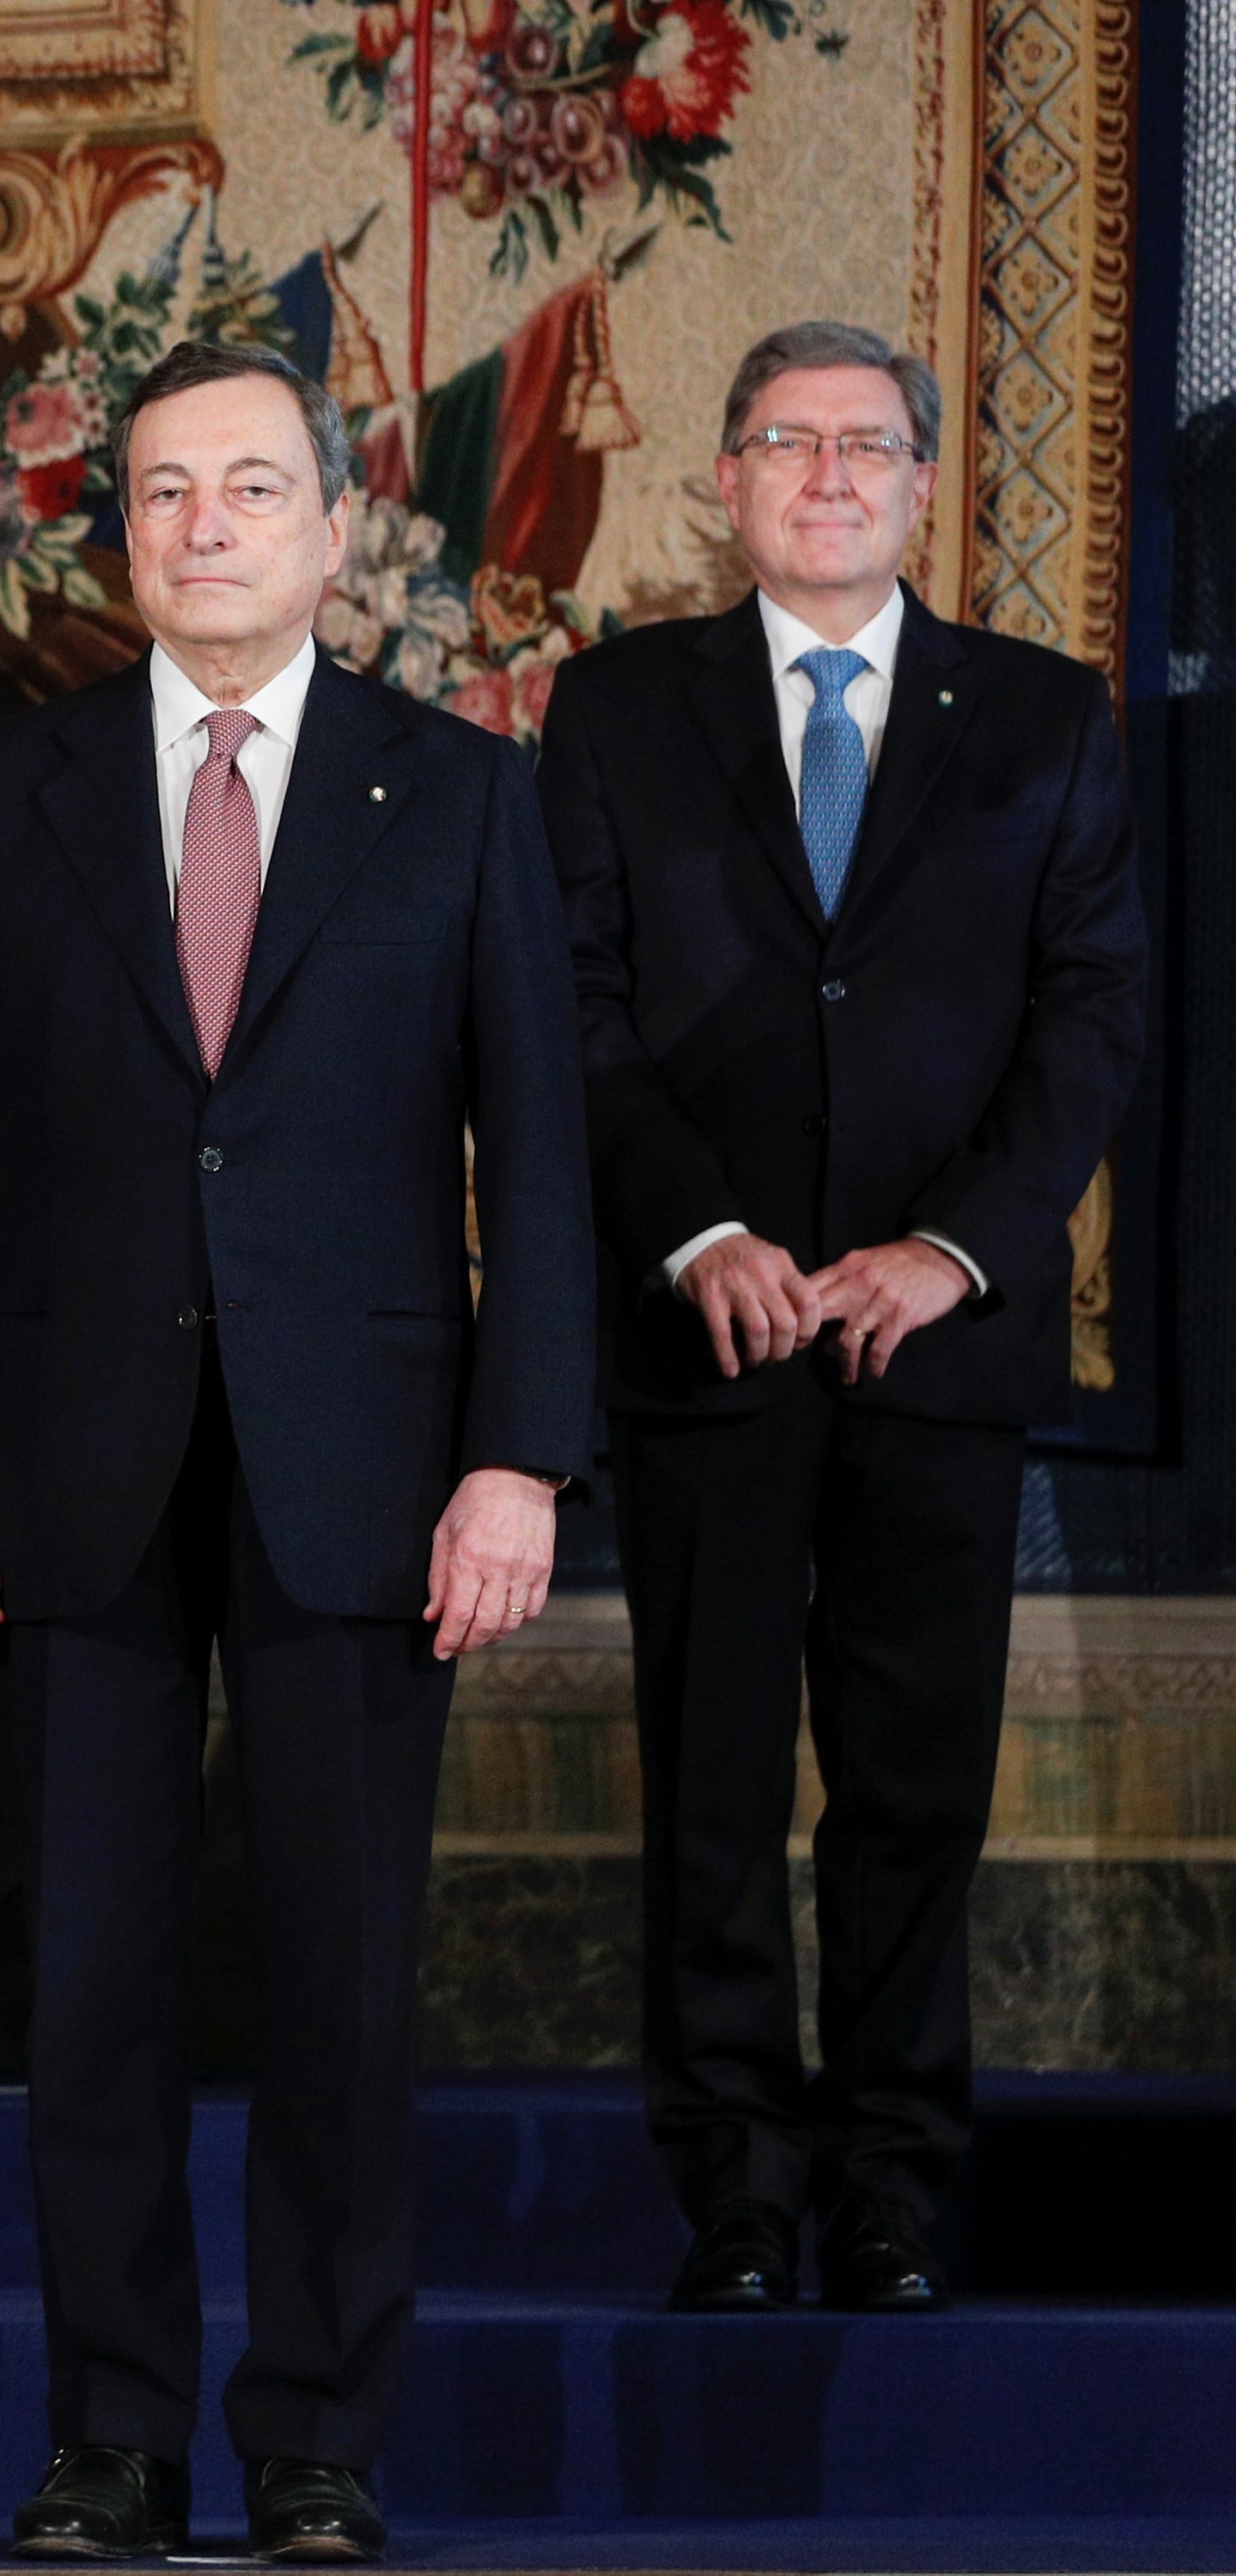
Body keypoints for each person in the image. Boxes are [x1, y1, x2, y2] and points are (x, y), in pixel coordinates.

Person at [0, 339, 596, 2563]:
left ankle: (313, 2440)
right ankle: (106, 2434)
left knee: (334, 1978)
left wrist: (517, 1462)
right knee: (86, 1980)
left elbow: (537, 1160)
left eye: (248, 488)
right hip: (63, 1450)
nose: (201, 524)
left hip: (365, 1464)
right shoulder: (8, 791)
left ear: (334, 524)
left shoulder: (454, 790)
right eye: (163, 490)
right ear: (122, 533)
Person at [541, 321, 1146, 2318]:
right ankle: (726, 2184)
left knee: (909, 1791)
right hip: (705, 1338)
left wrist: (953, 1245)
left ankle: (890, 2186)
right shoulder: (610, 710)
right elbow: (577, 1006)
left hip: (930, 1346)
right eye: (780, 442)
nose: (821, 474)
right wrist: (696, 1228)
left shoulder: (1045, 721)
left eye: (861, 445)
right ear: (720, 481)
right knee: (707, 1790)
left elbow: (1085, 1016)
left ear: (916, 485)